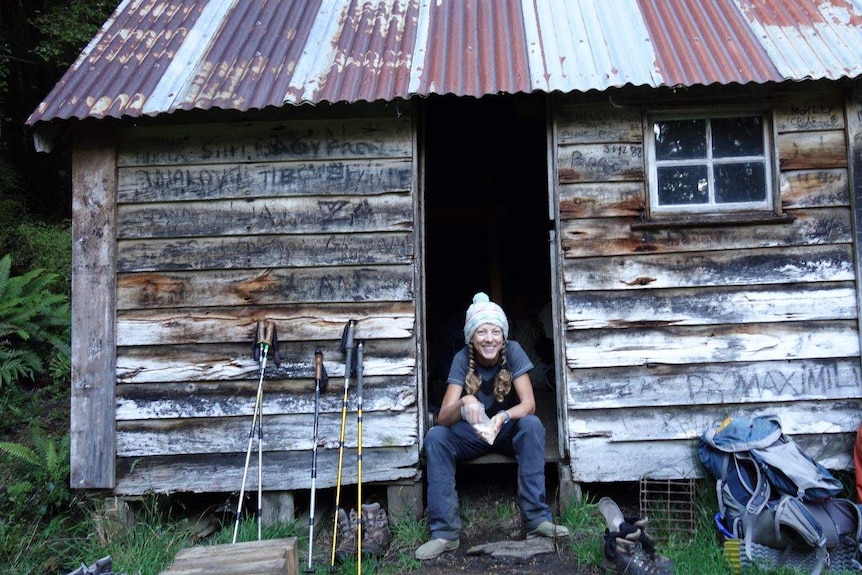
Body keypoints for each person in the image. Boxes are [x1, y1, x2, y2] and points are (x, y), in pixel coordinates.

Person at [415, 292, 570, 560]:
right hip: (473, 435)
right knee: (436, 437)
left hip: (505, 431)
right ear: (472, 337)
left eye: (495, 331)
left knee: (531, 424)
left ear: (503, 335)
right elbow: (443, 417)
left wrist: (503, 417)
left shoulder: (513, 352)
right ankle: (445, 534)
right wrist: (465, 400)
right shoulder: (462, 358)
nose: (489, 338)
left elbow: (529, 403)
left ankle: (537, 521)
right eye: (482, 332)